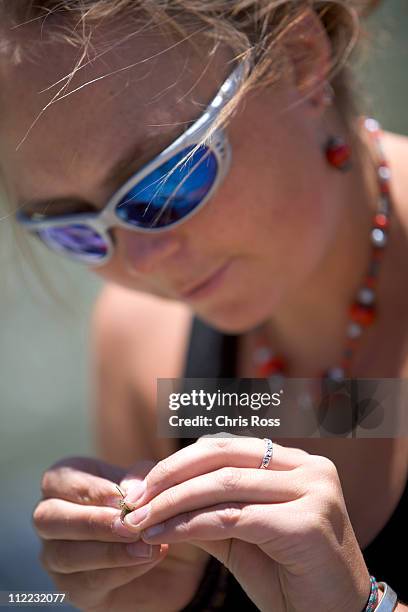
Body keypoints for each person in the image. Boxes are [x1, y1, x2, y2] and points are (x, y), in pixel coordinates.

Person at [1, 0, 407, 610]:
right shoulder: (143, 341)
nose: (139, 260)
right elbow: (358, 407)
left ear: (301, 59)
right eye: (72, 227)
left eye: (168, 182)